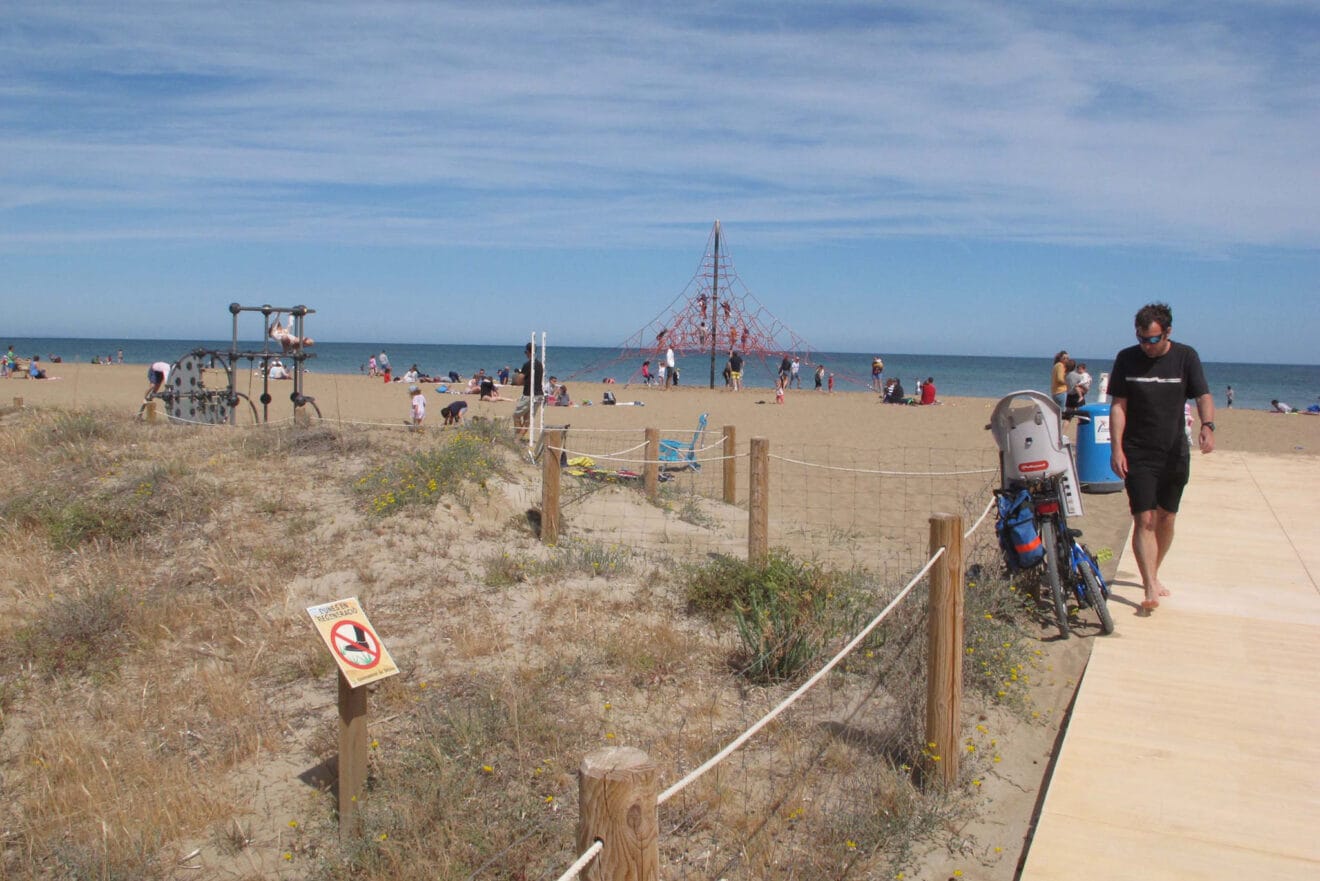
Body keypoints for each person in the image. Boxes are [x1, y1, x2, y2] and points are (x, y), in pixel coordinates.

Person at [1108, 302, 1214, 612]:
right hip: (1138, 452)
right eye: (1142, 338)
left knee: (1166, 517)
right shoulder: (1127, 359)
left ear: (1167, 332)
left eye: (1153, 339)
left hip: (1174, 452)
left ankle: (1154, 571)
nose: (1147, 345)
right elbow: (1118, 406)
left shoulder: (1186, 357)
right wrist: (1116, 448)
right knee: (1145, 518)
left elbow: (1203, 395)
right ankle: (1149, 583)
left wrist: (1208, 426)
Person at [514, 341, 545, 436]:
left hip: (529, 395)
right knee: (528, 419)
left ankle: (517, 436)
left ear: (528, 352)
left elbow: (518, 381)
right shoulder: (540, 364)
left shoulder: (527, 364)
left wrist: (518, 374)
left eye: (525, 352)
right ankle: (518, 439)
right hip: (539, 394)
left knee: (516, 415)